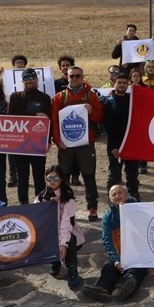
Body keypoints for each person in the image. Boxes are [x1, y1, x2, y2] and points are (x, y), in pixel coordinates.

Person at [50, 65, 103, 220]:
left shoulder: (91, 96)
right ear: (67, 77)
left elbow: (100, 117)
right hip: (66, 144)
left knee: (89, 175)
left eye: (77, 76)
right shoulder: (60, 97)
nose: (74, 79)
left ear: (82, 77)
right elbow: (55, 120)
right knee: (64, 176)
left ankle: (92, 207)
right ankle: (64, 206)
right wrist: (57, 141)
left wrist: (92, 111)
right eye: (71, 76)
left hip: (85, 143)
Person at [78, 184, 147, 303]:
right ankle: (102, 289)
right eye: (113, 194)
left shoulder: (137, 209)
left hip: (138, 252)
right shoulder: (108, 217)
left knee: (135, 270)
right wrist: (116, 260)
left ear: (127, 194)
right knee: (109, 268)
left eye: (120, 193)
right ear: (110, 199)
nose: (117, 196)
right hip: (120, 251)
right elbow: (107, 240)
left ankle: (128, 286)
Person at [37, 164, 85, 290]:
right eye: (49, 178)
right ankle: (55, 261)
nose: (52, 181)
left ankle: (72, 268)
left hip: (67, 230)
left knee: (70, 241)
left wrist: (63, 244)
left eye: (56, 178)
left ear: (62, 179)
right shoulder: (42, 196)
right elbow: (36, 215)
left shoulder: (68, 197)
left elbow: (66, 223)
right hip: (49, 230)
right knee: (48, 239)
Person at [8, 69, 52, 204]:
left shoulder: (45, 98)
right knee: (22, 177)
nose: (29, 81)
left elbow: (49, 120)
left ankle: (39, 202)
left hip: (38, 143)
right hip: (20, 144)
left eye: (32, 78)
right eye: (26, 78)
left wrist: (48, 140)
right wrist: (34, 115)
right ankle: (23, 203)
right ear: (22, 81)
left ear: (37, 80)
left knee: (39, 176)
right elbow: (12, 115)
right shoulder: (15, 97)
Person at [100, 68, 139, 198]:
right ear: (114, 83)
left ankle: (134, 197)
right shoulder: (108, 102)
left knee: (132, 174)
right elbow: (109, 128)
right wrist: (113, 147)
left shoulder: (132, 100)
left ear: (128, 84)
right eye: (119, 82)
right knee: (115, 175)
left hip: (131, 143)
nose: (122, 85)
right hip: (116, 145)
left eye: (124, 83)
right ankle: (112, 199)